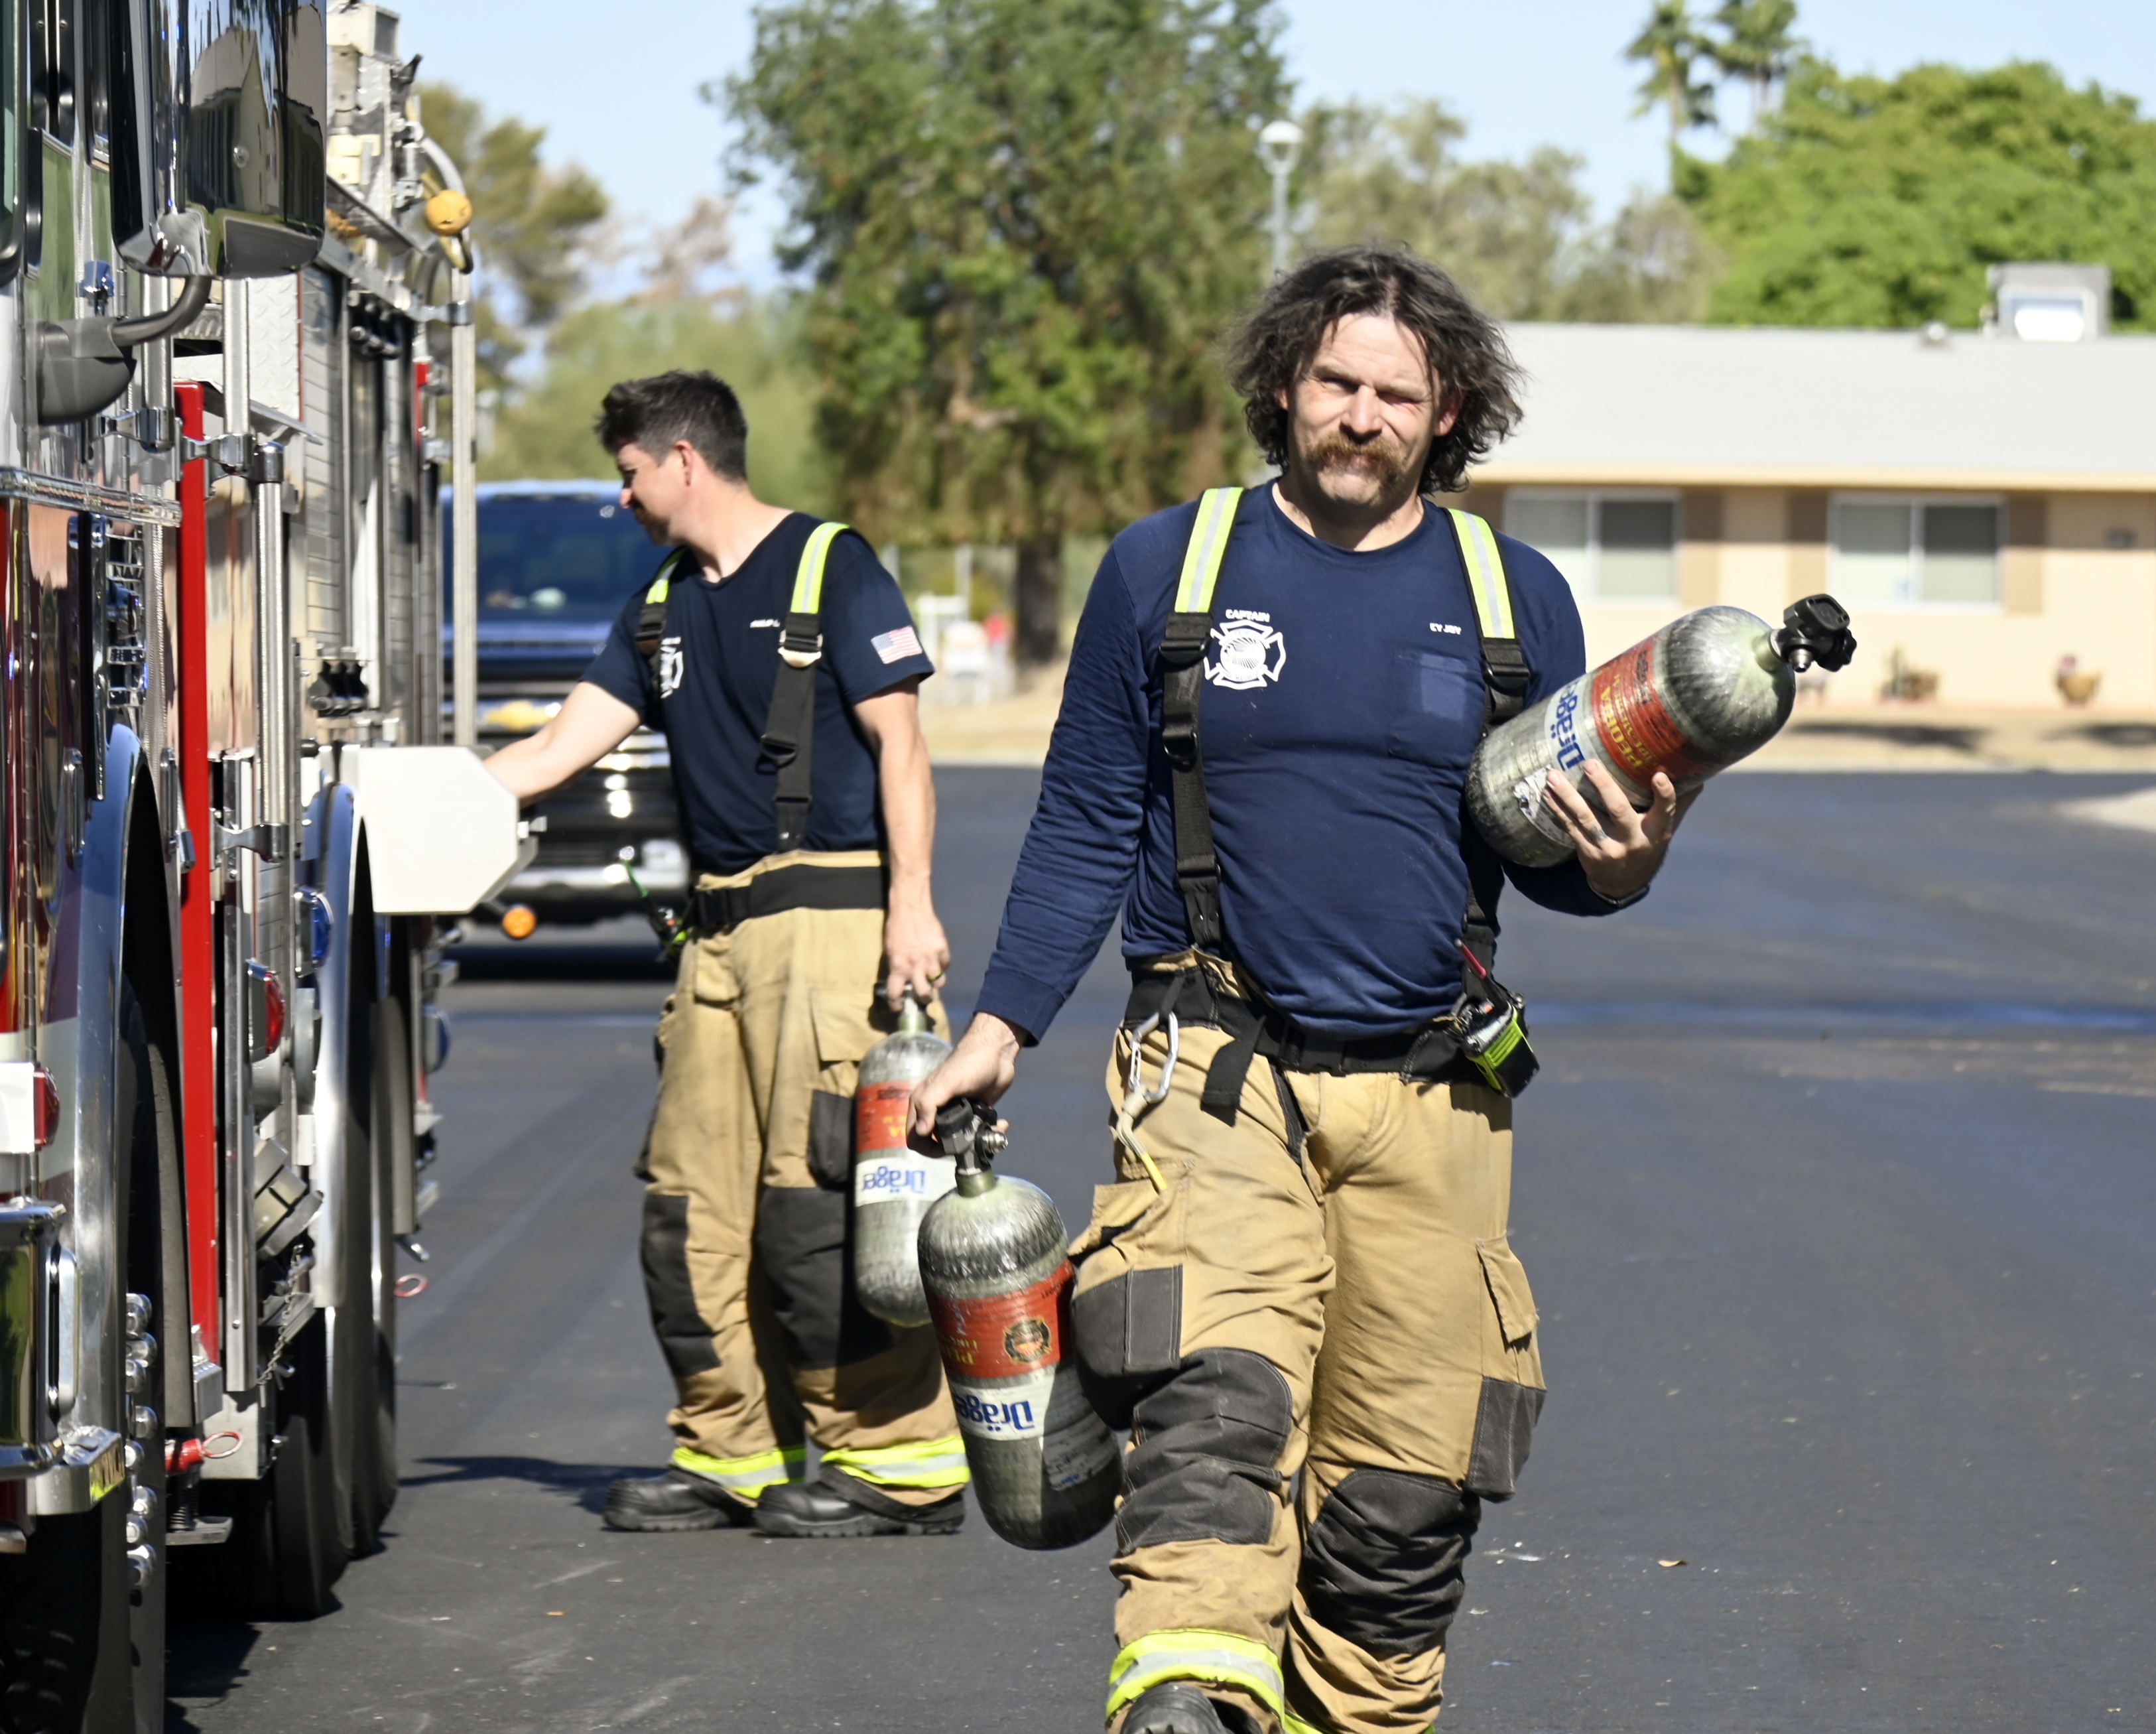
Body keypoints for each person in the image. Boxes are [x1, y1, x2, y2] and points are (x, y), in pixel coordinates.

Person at [911, 250, 1693, 1732]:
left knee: (1402, 1500)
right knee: (1213, 1404)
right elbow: (1085, 817)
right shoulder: (1167, 568)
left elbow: (1559, 870)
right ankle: (1187, 1694)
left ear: (1447, 413)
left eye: (1397, 393)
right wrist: (1001, 1025)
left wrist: (1634, 858)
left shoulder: (1514, 596)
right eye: (1337, 381)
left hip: (1436, 1090)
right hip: (1213, 1064)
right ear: (1284, 381)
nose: (1361, 415)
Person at [487, 370, 969, 1539]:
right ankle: (733, 1448)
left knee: (825, 1201)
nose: (623, 498)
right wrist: (395, 814)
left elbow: (900, 746)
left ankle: (896, 1463)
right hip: (718, 939)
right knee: (690, 1205)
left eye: (629, 474)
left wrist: (913, 906)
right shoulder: (658, 610)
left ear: (684, 460)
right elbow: (551, 753)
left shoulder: (831, 567)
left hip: (834, 923)